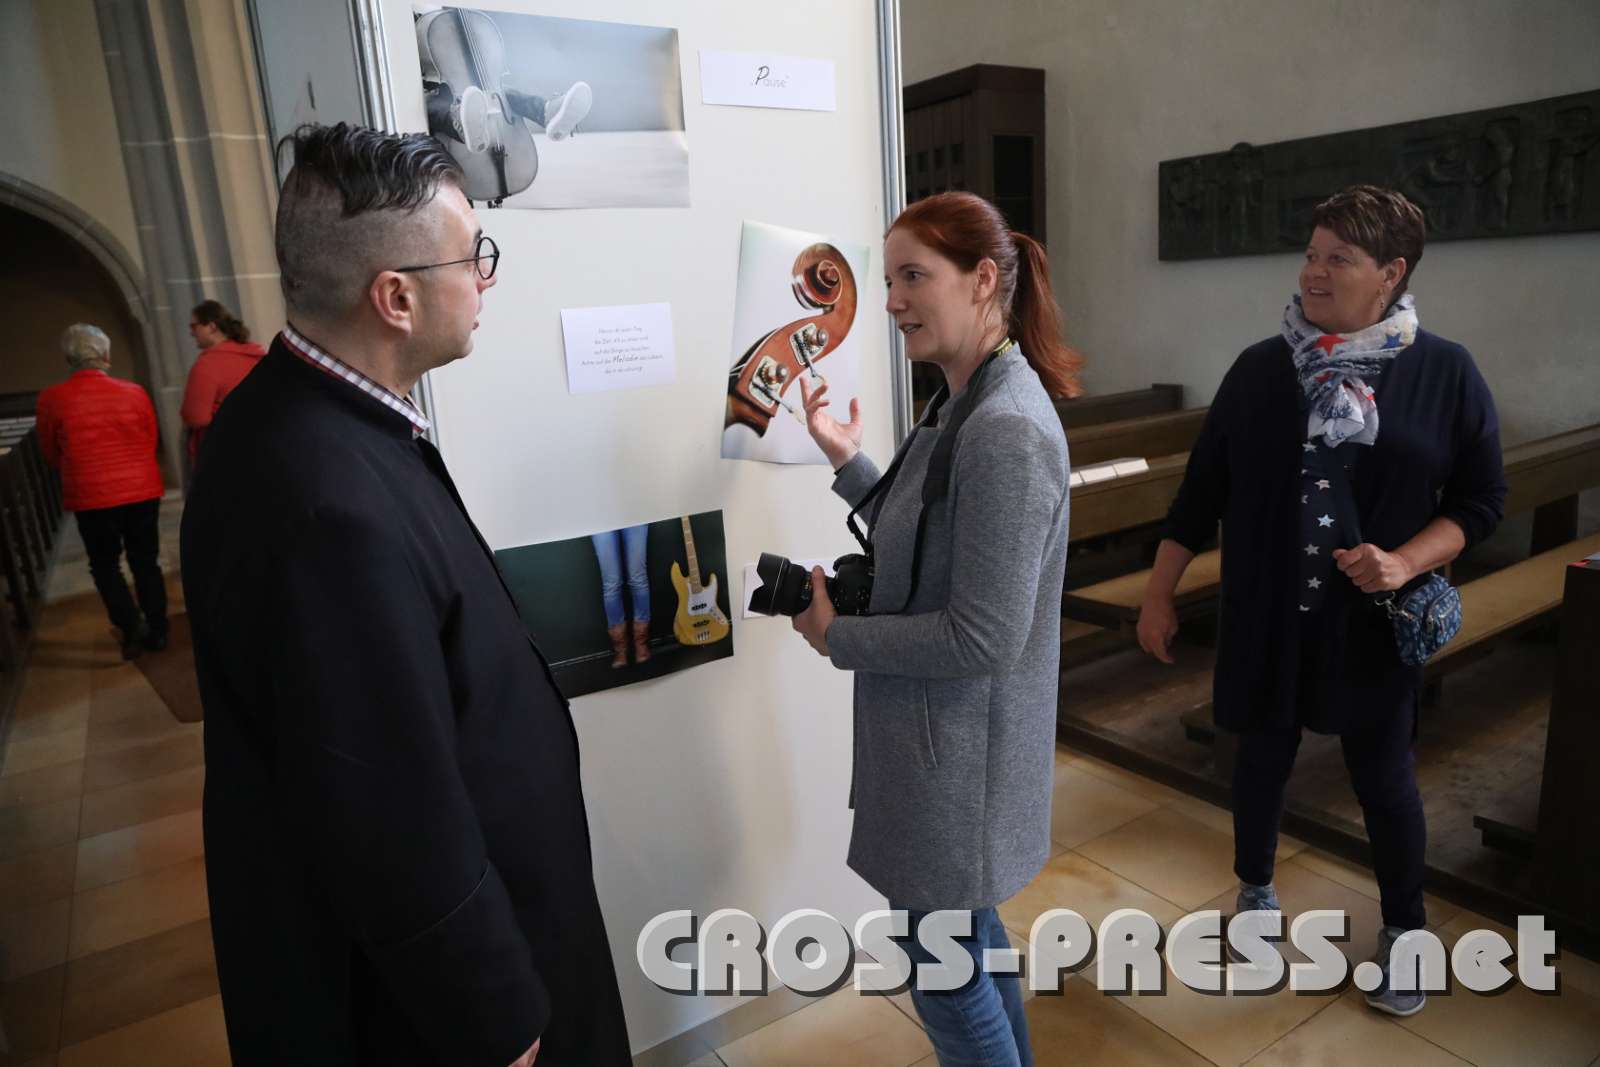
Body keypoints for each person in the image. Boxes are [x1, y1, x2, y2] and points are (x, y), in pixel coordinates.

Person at [180, 123, 630, 1066]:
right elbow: (381, 802)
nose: (486, 281)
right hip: (432, 1008)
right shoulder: (319, 496)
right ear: (396, 297)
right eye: (475, 257)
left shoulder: (316, 417)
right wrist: (493, 1012)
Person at [1136, 185, 1506, 1017]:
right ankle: (1256, 896)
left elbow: (1482, 500)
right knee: (1258, 760)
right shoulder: (1259, 369)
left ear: (1391, 272)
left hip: (1369, 626)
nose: (1314, 271)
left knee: (1384, 780)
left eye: (1339, 257)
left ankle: (1406, 931)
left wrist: (1405, 560)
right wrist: (1159, 592)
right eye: (1311, 253)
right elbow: (1199, 495)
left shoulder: (1444, 371)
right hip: (1266, 614)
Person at [791, 191, 1080, 1066]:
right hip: (940, 750)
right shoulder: (959, 401)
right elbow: (932, 528)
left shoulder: (1006, 427)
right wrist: (848, 460)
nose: (891, 301)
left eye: (913, 276)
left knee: (946, 975)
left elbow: (984, 637)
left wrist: (836, 636)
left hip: (958, 761)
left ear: (983, 279)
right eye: (890, 279)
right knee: (969, 949)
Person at [35, 323, 167, 658]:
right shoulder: (134, 392)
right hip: (140, 489)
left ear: (69, 359)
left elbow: (50, 452)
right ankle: (158, 629)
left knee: (105, 564)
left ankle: (131, 628)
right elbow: (150, 439)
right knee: (145, 560)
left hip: (91, 493)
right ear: (106, 355)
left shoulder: (52, 399)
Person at [179, 299, 266, 469]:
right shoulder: (256, 356)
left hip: (225, 453)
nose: (191, 333)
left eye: (194, 326)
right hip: (264, 444)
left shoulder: (208, 364)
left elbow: (196, 417)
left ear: (212, 327)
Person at [590, 524, 651, 667]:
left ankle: (641, 644)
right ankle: (620, 650)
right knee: (611, 584)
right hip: (598, 516)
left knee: (638, 578)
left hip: (634, 513)